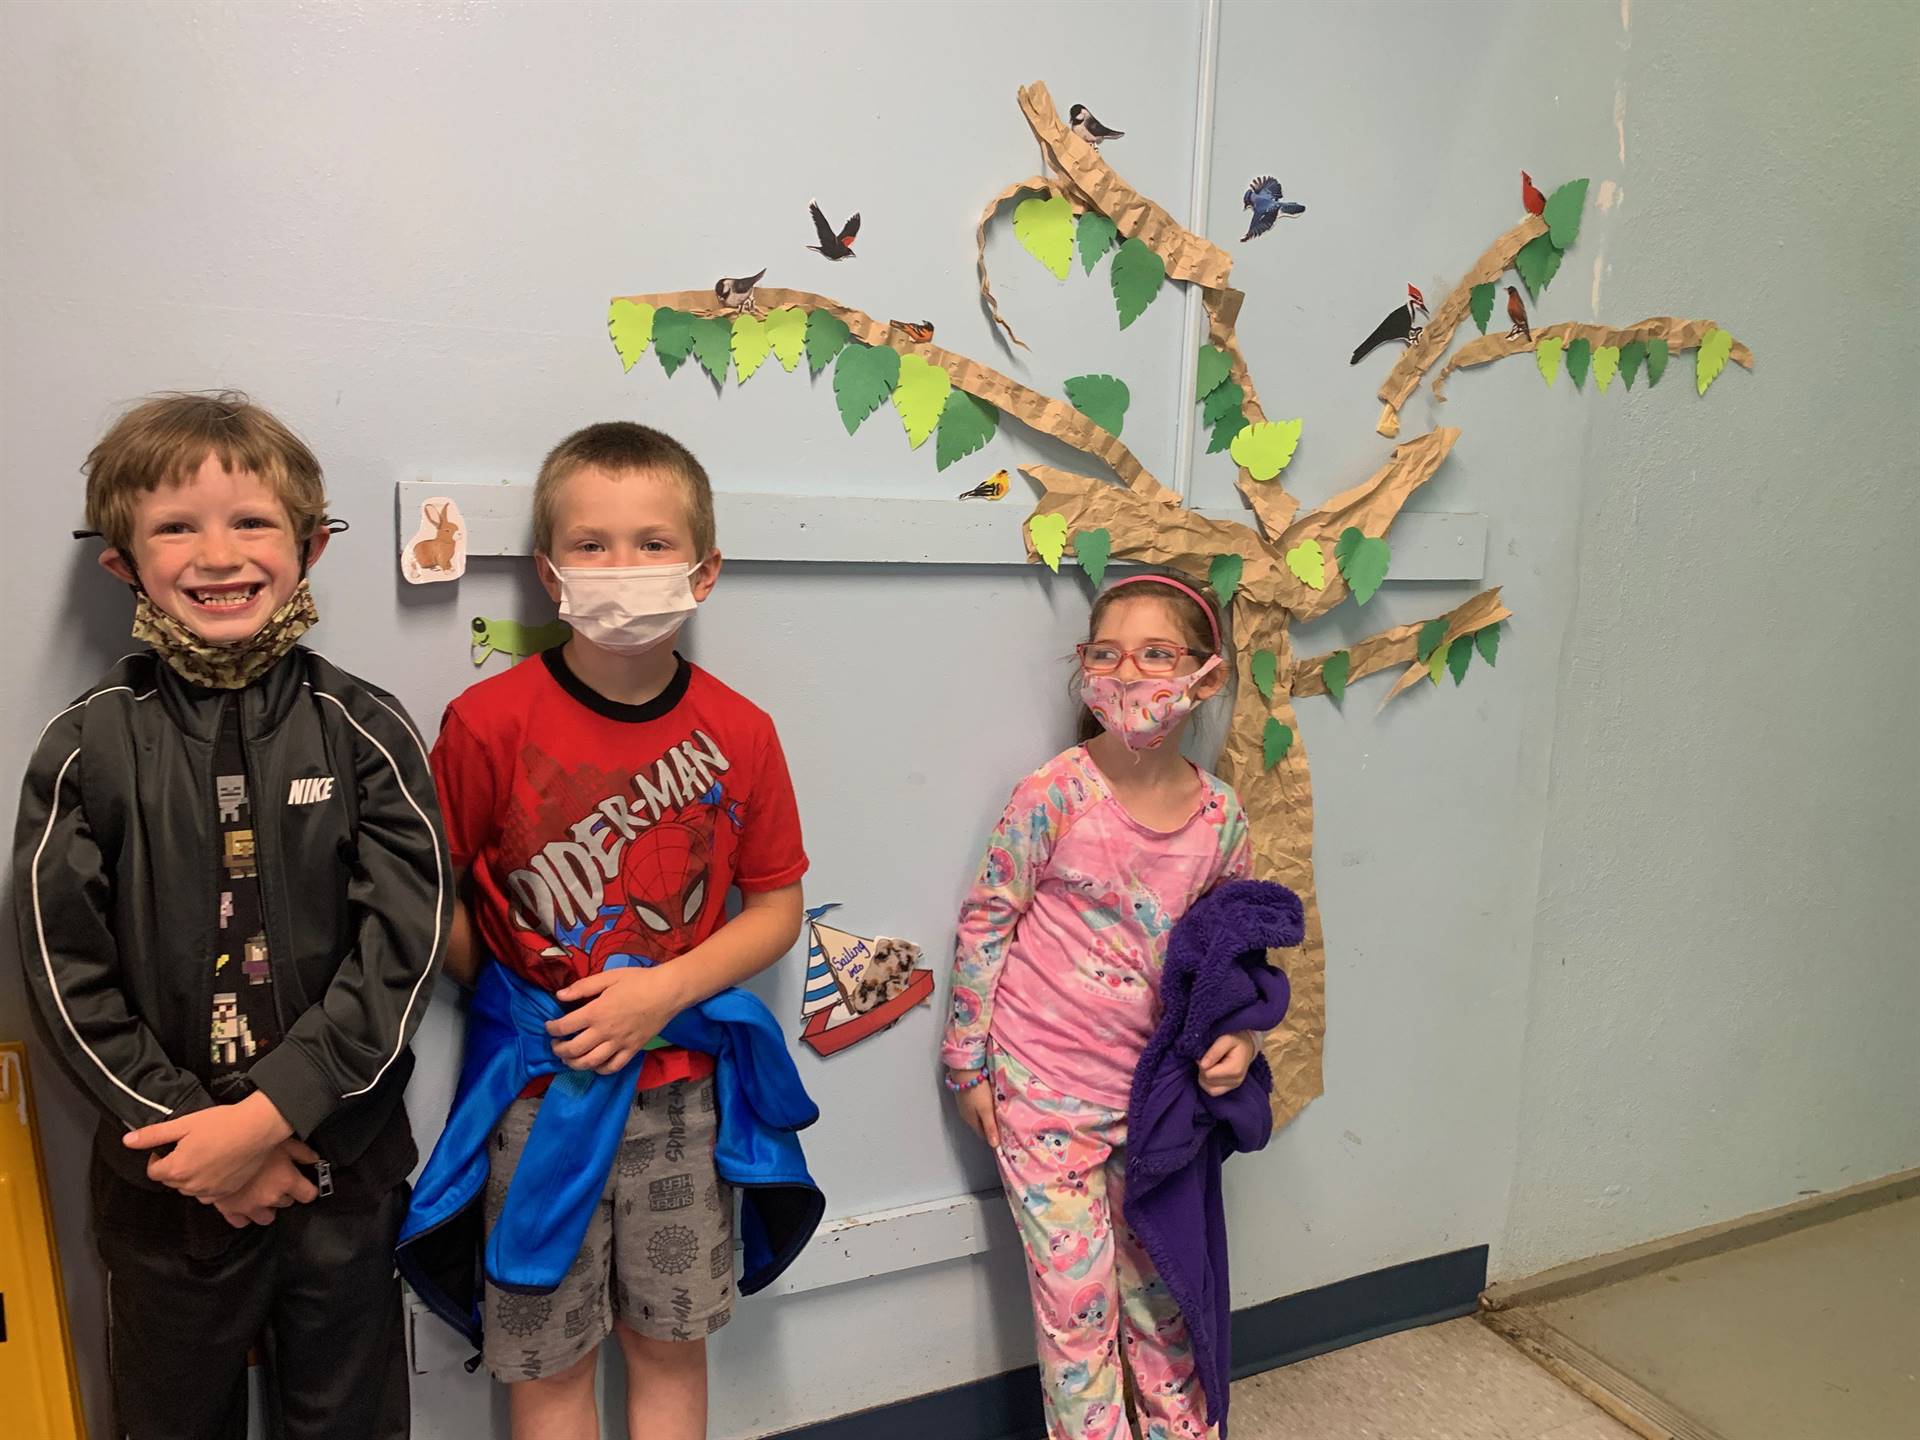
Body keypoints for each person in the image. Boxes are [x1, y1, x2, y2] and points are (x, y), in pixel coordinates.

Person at [12, 391, 450, 1439]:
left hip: (336, 1169)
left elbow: (407, 946)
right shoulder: (87, 745)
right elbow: (58, 967)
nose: (218, 554)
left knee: (346, 1419)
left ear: (308, 545)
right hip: (164, 1180)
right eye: (176, 525)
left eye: (250, 521)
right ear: (121, 560)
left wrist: (269, 1119)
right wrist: (190, 1140)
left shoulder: (363, 727)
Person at [418, 421, 811, 1440]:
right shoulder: (486, 723)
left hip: (683, 1100)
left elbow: (774, 909)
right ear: (551, 575)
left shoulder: (742, 732)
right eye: (591, 544)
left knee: (670, 1345)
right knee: (546, 1362)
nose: (622, 567)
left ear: (705, 570)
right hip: (536, 1097)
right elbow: (436, 894)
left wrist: (661, 992)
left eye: (652, 542)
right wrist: (509, 1000)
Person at [942, 572, 1259, 1440]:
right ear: (1084, 670)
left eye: (1157, 654)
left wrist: (1242, 1029)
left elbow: (1233, 954)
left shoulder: (1222, 817)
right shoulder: (1055, 793)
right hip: (1044, 1097)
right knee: (1075, 1314)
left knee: (1165, 1303)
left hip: (1159, 1108)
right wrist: (967, 1061)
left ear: (1206, 675)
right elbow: (989, 919)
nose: (1131, 674)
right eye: (1108, 654)